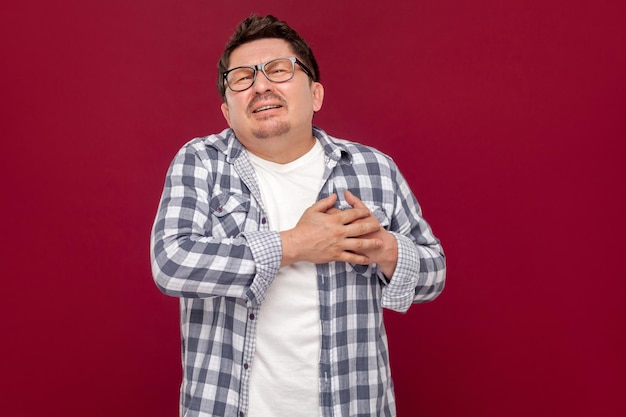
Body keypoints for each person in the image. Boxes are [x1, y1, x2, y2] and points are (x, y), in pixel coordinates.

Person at [150, 13, 445, 417]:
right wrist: (296, 244)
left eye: (278, 70)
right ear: (226, 111)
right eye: (242, 78)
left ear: (316, 94)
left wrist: (386, 249)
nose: (260, 86)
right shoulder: (201, 162)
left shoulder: (373, 169)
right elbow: (171, 262)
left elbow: (435, 275)